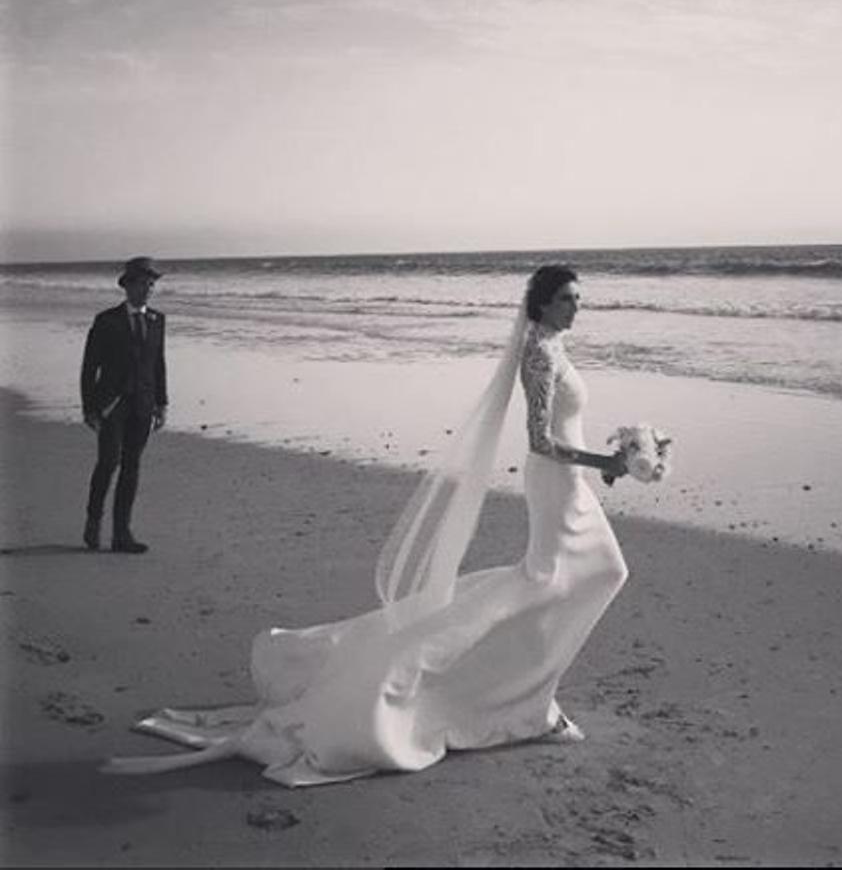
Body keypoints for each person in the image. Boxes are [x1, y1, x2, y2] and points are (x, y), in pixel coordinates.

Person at [104, 264, 629, 784]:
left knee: (583, 576)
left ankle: (528, 700)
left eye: (578, 298)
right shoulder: (538, 353)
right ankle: (524, 703)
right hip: (556, 480)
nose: (575, 306)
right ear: (540, 305)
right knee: (568, 578)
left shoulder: (554, 345)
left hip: (569, 482)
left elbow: (564, 423)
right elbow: (539, 439)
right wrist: (606, 463)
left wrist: (609, 464)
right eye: (566, 298)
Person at [81, 256, 168, 554]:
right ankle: (94, 520)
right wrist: (89, 408)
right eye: (143, 283)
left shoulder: (158, 320)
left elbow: (158, 365)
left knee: (132, 466)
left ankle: (122, 534)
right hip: (111, 405)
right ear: (128, 286)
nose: (148, 289)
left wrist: (161, 403)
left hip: (143, 405)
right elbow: (89, 367)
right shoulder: (106, 321)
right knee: (108, 462)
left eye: (152, 284)